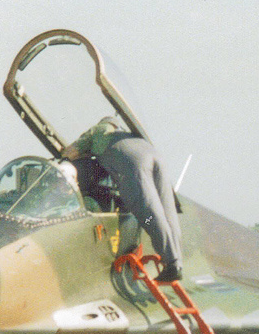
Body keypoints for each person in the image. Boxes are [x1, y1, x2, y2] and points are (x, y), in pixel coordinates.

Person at [61, 117, 183, 281]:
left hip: (134, 164)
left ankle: (171, 265)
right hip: (154, 156)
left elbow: (71, 153)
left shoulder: (99, 130)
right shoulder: (128, 135)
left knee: (148, 216)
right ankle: (177, 262)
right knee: (167, 213)